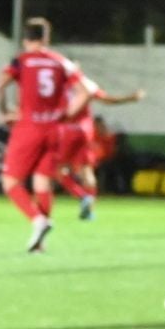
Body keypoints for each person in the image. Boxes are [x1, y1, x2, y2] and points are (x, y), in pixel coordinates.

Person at [0, 17, 87, 253]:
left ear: (25, 40)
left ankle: (38, 220)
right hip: (55, 129)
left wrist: (4, 112)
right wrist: (67, 115)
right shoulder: (61, 62)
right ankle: (39, 243)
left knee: (10, 182)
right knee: (42, 181)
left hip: (29, 127)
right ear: (46, 39)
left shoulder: (21, 61)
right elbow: (84, 92)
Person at [53, 63, 145, 221]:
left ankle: (82, 196)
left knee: (56, 169)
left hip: (66, 131)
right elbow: (106, 99)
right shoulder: (86, 83)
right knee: (87, 171)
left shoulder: (58, 85)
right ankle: (89, 210)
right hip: (85, 131)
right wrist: (130, 98)